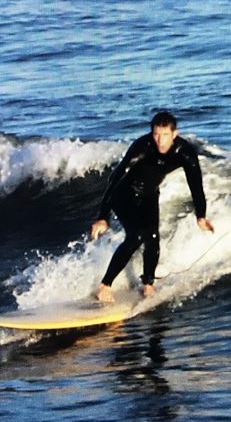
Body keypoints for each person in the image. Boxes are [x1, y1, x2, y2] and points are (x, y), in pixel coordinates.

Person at [90, 111, 214, 303]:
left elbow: (196, 186)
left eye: (165, 135)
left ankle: (148, 283)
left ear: (174, 134)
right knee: (137, 235)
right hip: (123, 193)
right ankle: (104, 285)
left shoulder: (185, 152)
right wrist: (103, 217)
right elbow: (115, 178)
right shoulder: (143, 146)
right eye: (156, 134)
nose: (160, 140)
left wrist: (201, 216)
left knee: (153, 237)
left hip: (149, 193)